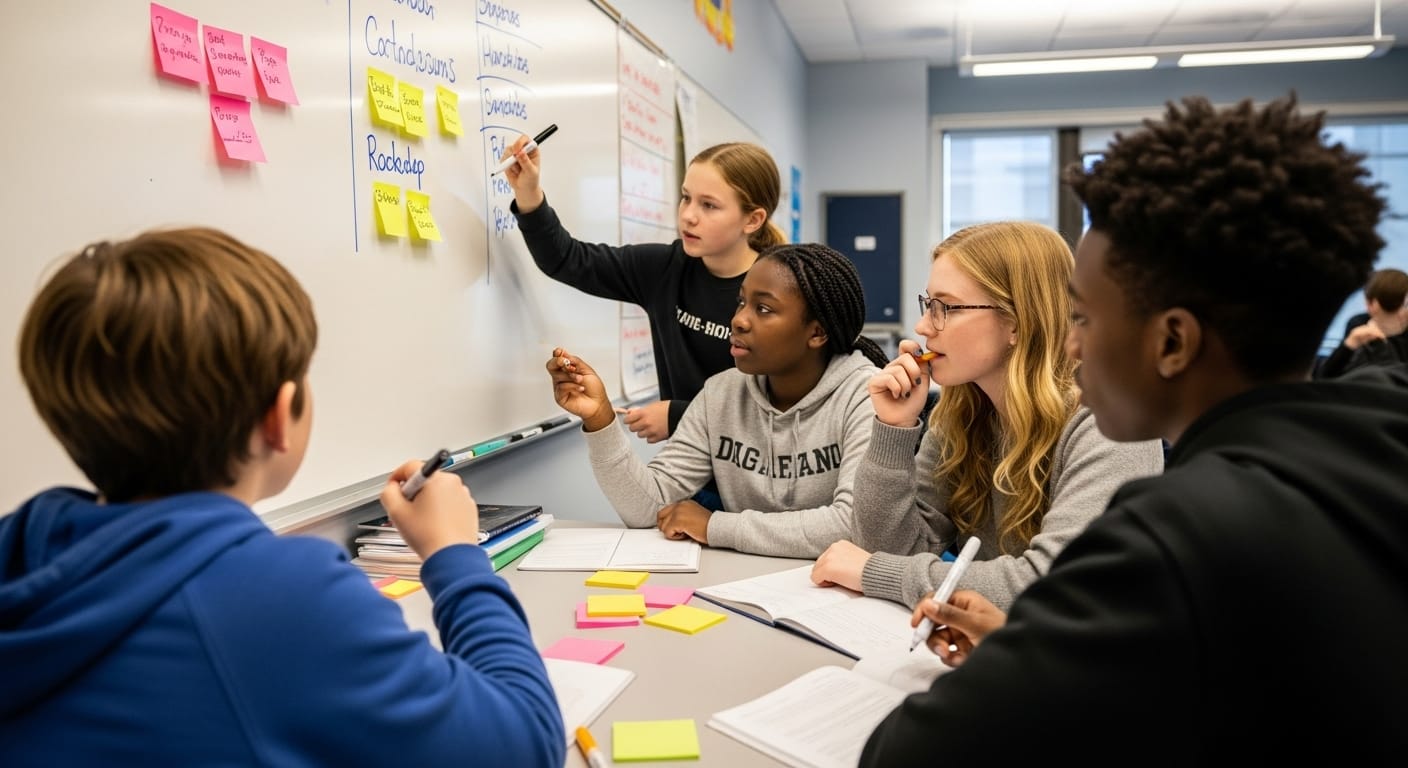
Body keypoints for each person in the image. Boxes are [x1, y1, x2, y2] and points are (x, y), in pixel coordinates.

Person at [860, 94, 1408, 763]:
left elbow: (901, 752)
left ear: (1172, 341)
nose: (1069, 343)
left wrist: (1034, 656)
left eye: (1085, 318)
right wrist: (1028, 644)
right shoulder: (1372, 439)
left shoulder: (1172, 538)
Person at [0, 228, 564, 766]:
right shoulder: (280, 600)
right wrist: (455, 556)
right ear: (278, 416)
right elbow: (526, 743)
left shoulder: (22, 547)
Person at [810, 221, 1164, 610]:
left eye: (946, 307)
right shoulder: (962, 413)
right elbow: (889, 549)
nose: (923, 326)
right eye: (928, 305)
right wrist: (893, 429)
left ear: (1016, 322)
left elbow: (1060, 584)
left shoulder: (1112, 423)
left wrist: (878, 573)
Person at [545, 242, 890, 558]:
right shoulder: (721, 393)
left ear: (817, 332)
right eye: (741, 302)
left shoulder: (866, 396)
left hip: (837, 590)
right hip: (743, 583)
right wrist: (600, 419)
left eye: (763, 308)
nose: (738, 320)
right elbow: (649, 507)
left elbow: (854, 525)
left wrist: (717, 526)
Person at [505, 138, 785, 444]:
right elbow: (566, 260)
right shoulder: (665, 268)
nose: (688, 215)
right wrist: (528, 193)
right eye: (686, 198)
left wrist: (678, 417)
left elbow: (784, 415)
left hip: (759, 469)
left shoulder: (782, 292)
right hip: (685, 464)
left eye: (709, 205)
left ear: (753, 220)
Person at [1316, 267, 1408, 378]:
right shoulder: (1358, 325)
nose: (1401, 314)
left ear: (1369, 304)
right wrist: (1348, 345)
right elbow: (1325, 375)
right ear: (1371, 305)